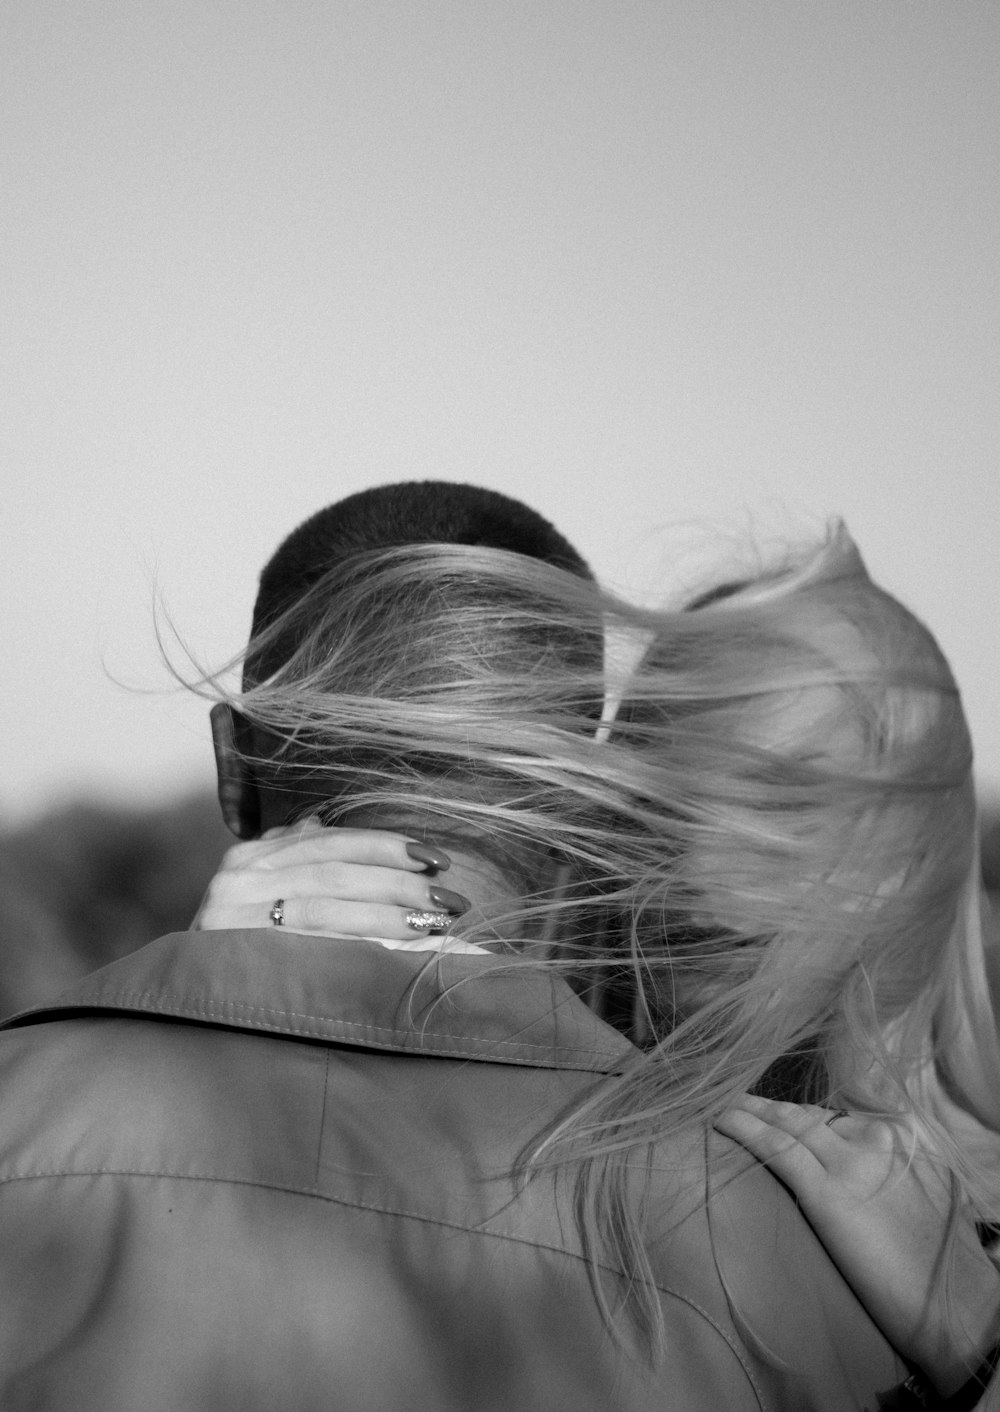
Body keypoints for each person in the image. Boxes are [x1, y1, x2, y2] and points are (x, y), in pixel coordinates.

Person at [0, 479, 982, 1409]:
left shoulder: (27, 1107)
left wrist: (209, 999)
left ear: (232, 764)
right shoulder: (848, 1279)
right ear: (574, 792)